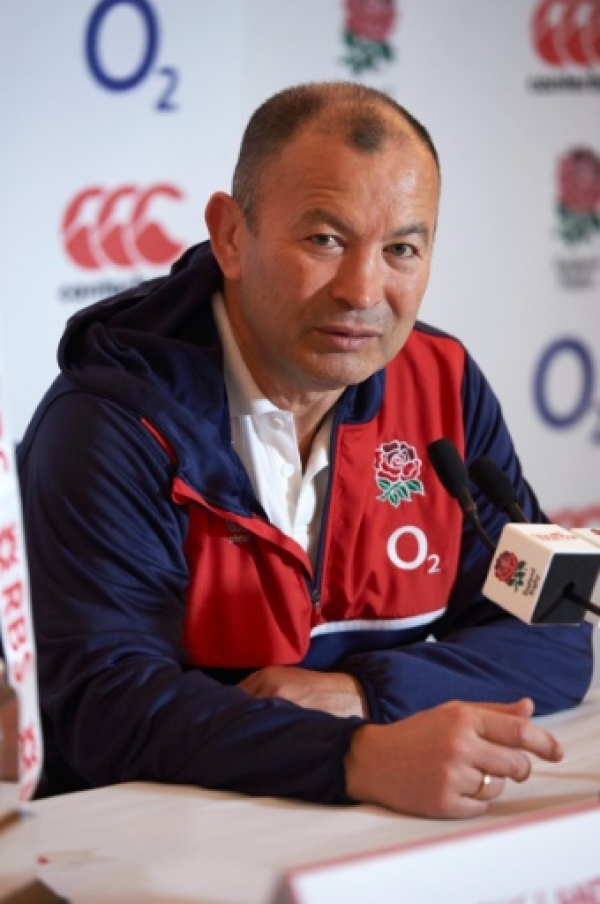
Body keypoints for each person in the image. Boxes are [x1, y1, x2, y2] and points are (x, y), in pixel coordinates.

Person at [18, 81, 592, 819]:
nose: (363, 290)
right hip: (144, 851)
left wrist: (366, 695)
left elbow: (556, 625)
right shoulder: (109, 423)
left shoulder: (443, 387)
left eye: (402, 250)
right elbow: (109, 704)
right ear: (230, 236)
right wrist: (355, 756)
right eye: (324, 240)